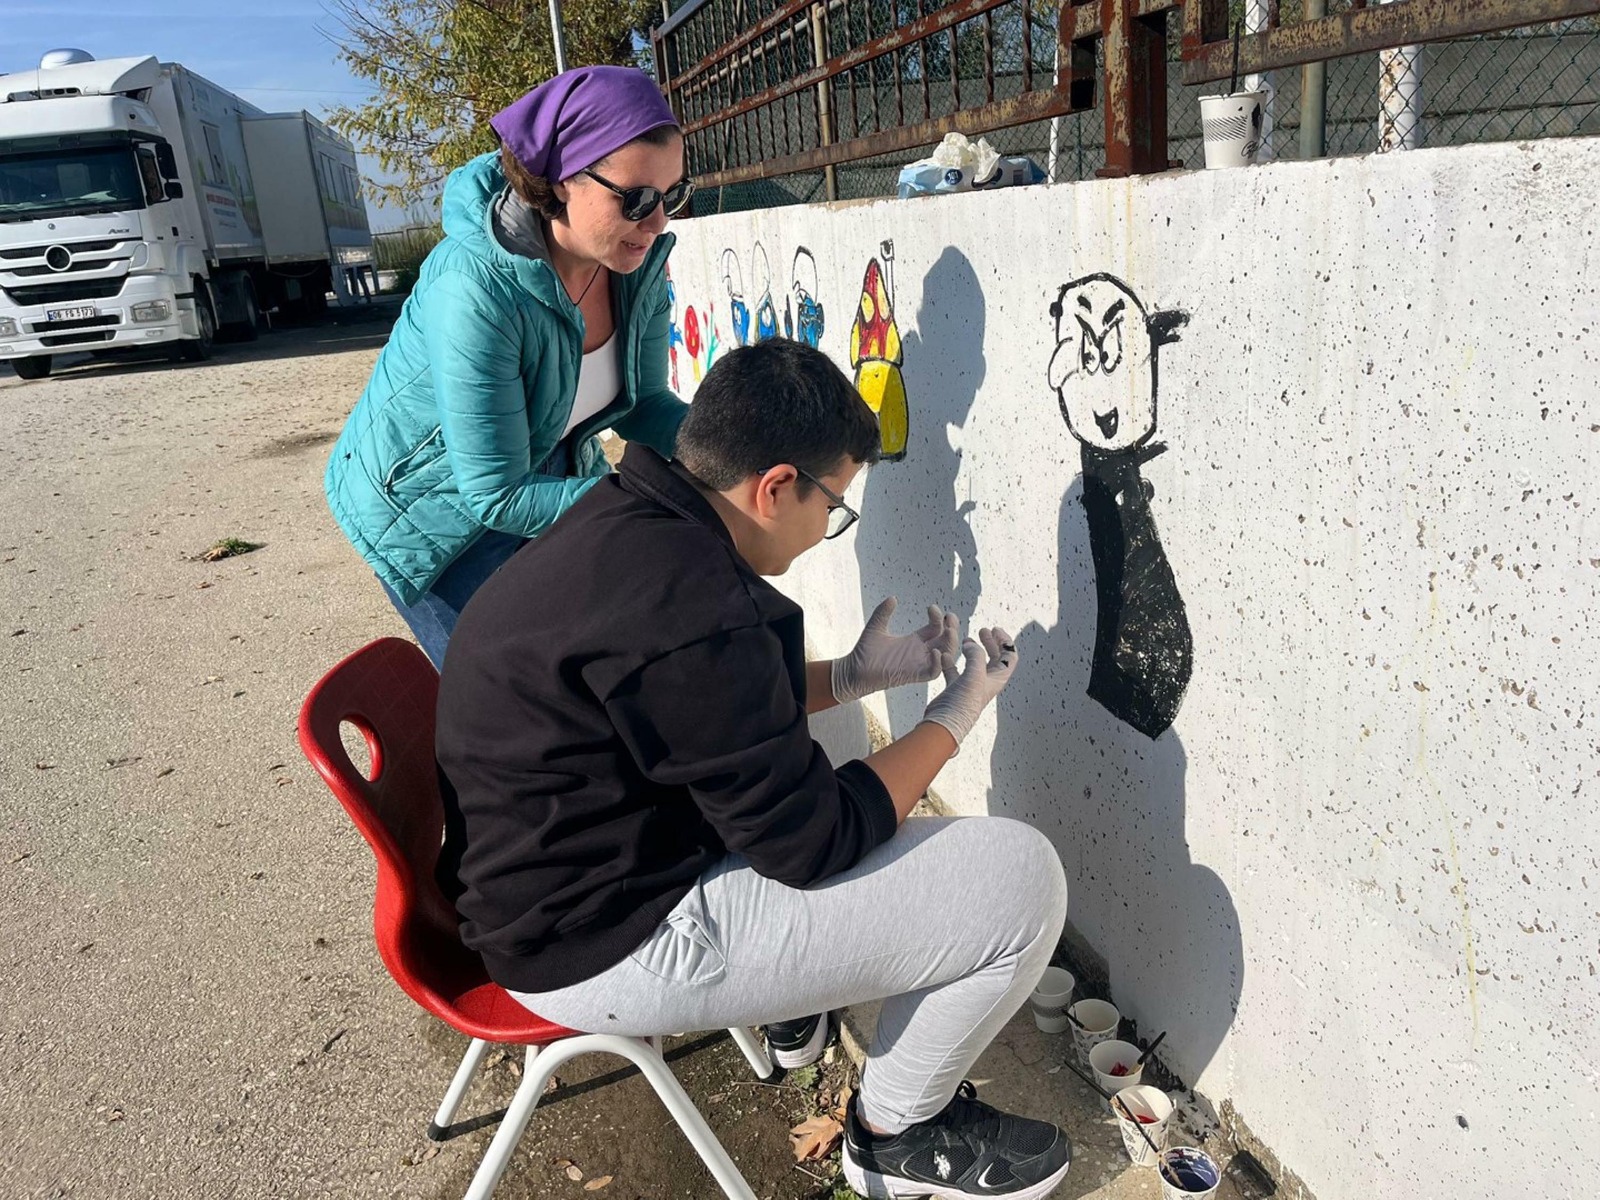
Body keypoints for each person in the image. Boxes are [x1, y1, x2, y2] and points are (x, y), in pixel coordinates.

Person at [436, 340, 1073, 1200]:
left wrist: (848, 678)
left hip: (545, 886)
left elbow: (694, 706)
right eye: (835, 506)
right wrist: (953, 716)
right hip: (599, 945)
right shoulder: (699, 603)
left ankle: (792, 1013)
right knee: (1021, 882)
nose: (828, 529)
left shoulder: (630, 520)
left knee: (841, 777)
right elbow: (816, 841)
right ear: (775, 486)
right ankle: (897, 1133)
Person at [324, 66, 696, 667]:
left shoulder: (634, 266)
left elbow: (646, 407)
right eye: (637, 199)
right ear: (561, 181)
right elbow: (495, 496)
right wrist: (650, 502)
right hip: (434, 509)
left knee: (610, 656)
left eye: (673, 194)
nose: (658, 223)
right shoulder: (475, 288)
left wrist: (731, 449)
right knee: (521, 704)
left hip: (541, 457)